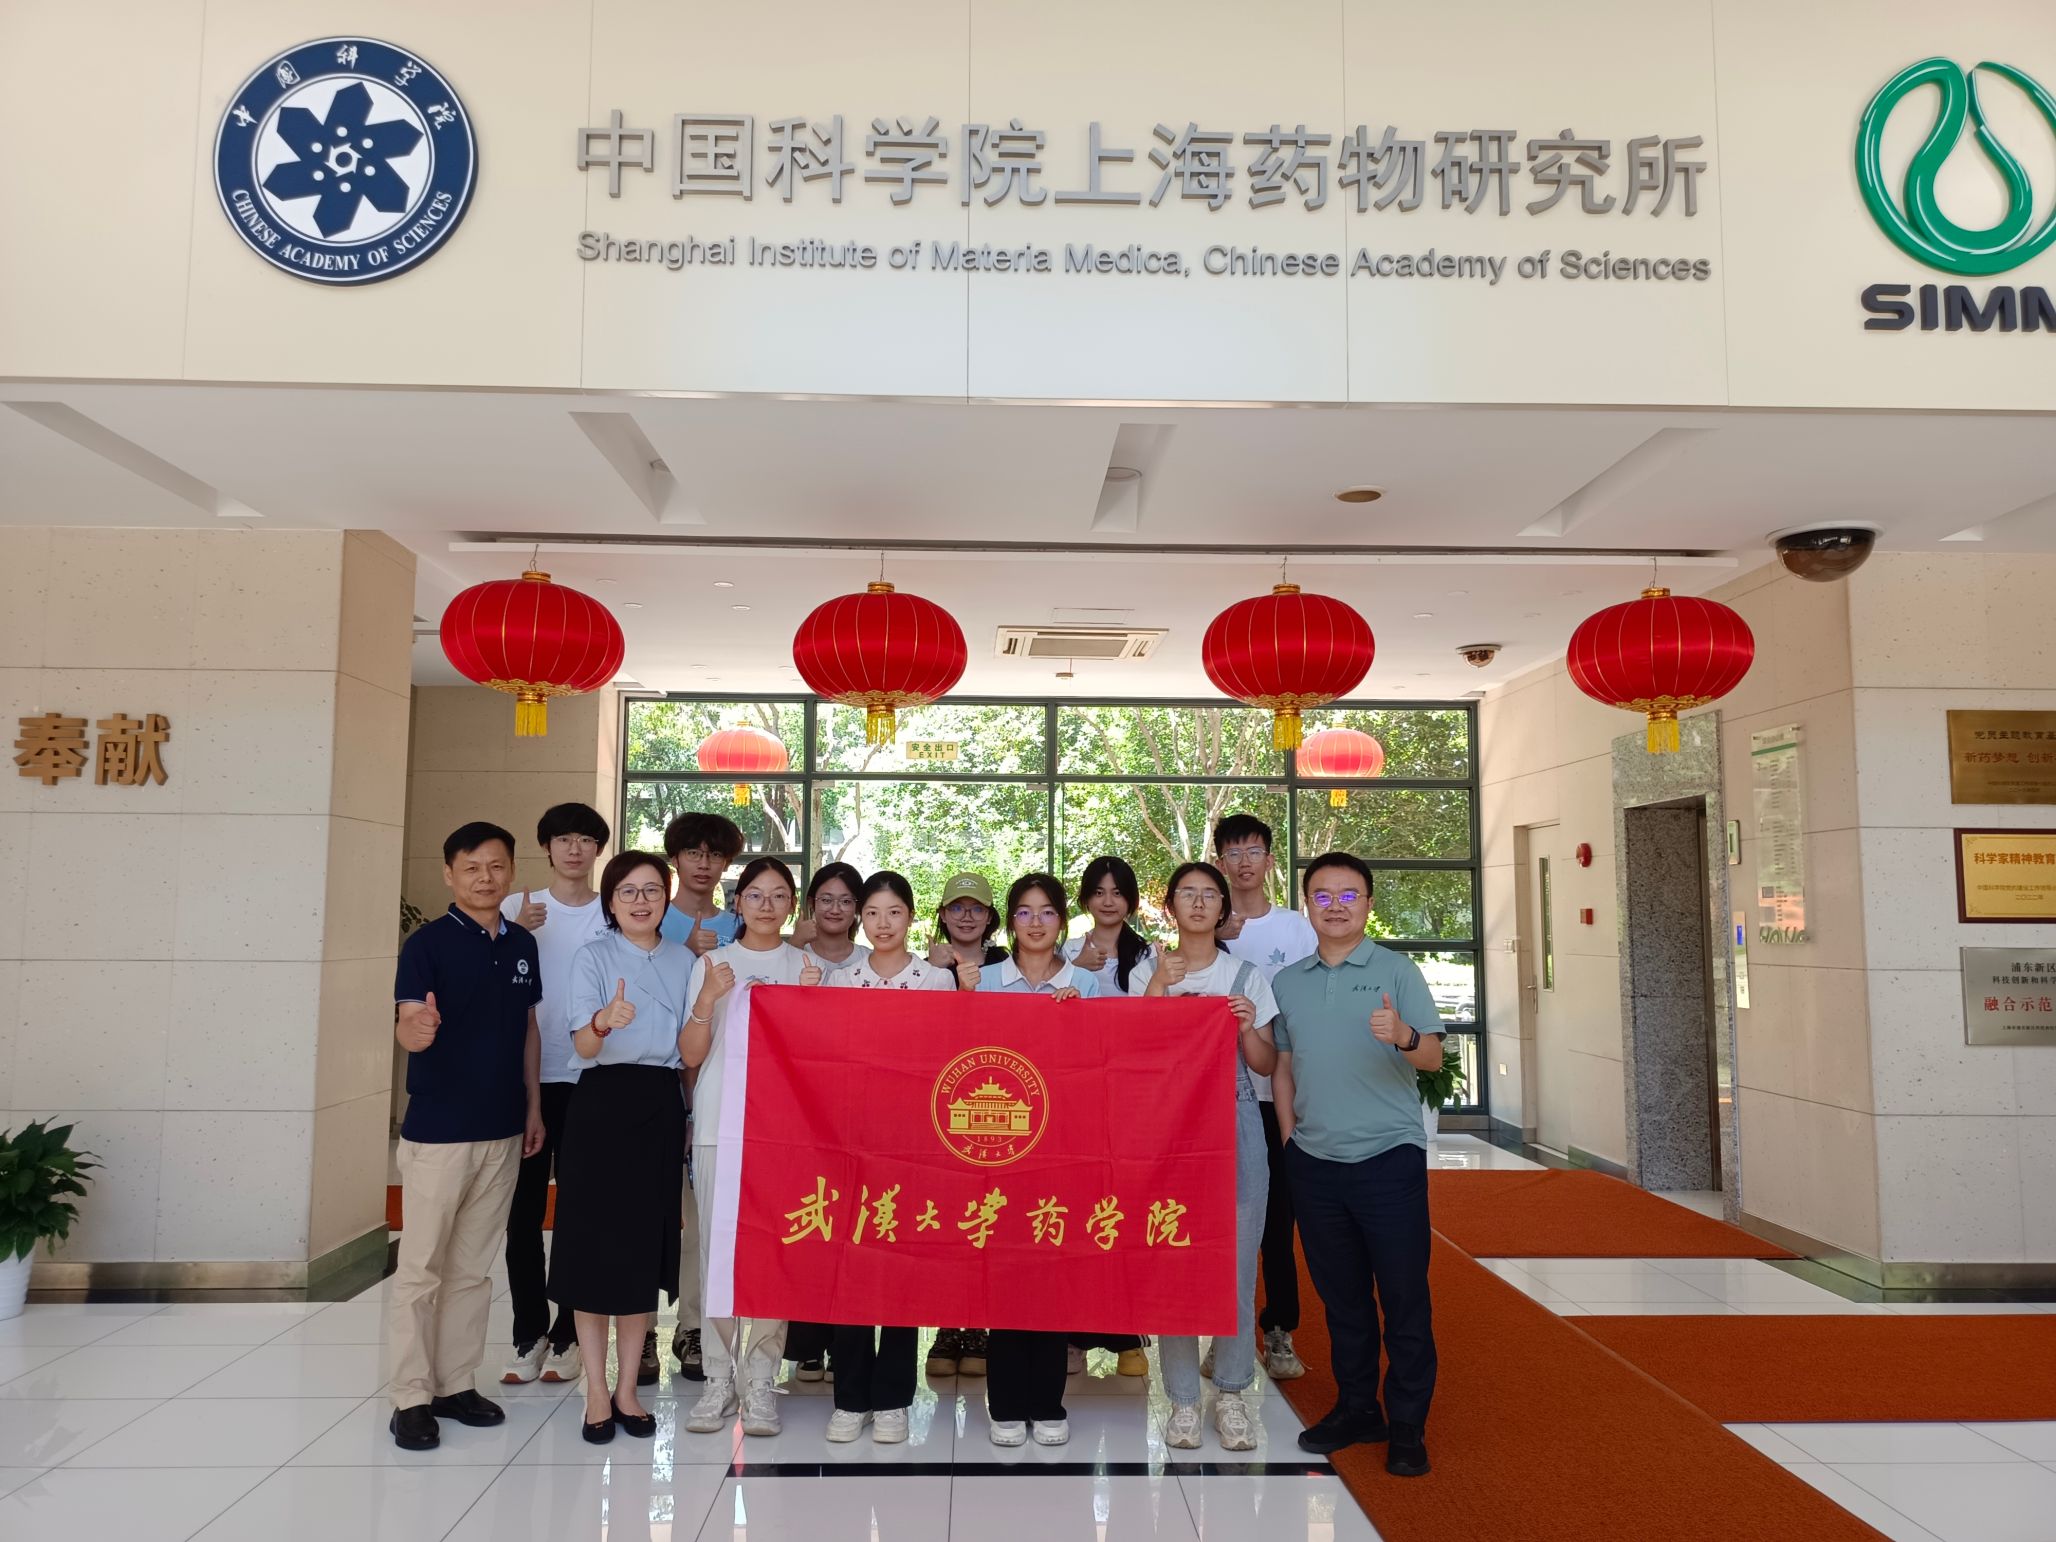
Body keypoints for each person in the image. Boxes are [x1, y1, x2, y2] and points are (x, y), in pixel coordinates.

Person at [1271, 852, 1443, 1478]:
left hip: (1388, 1159)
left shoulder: (1398, 970)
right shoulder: (1288, 981)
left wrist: (1403, 1035)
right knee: (1341, 1299)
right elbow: (1283, 1067)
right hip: (1315, 1163)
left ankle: (1407, 1423)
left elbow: (1432, 1057)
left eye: (1349, 895)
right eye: (1323, 895)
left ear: (1368, 903)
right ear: (1307, 905)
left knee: (1403, 1296)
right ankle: (1357, 1408)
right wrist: (1291, 1142)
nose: (1336, 905)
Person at [388, 822, 546, 1452]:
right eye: (473, 867)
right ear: (449, 873)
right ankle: (410, 1396)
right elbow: (407, 1021)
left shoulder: (522, 945)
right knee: (421, 1268)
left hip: (503, 1129)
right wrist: (416, 1030)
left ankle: (454, 1383)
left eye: (497, 866)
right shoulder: (426, 944)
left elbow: (528, 1030)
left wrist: (533, 1106)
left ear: (511, 872)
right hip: (440, 1134)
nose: (486, 878)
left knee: (472, 1269)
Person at [1130, 861, 1277, 1453]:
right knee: (1174, 1258)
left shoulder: (1245, 975)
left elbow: (1265, 1064)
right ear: (1170, 907)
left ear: (1223, 909)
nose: (1197, 903)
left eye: (1208, 895)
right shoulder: (1147, 969)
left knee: (1237, 1262)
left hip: (1236, 1116)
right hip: (1169, 1126)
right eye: (1186, 894)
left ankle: (1233, 1393)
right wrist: (1158, 989)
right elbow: (1134, 1055)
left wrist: (1247, 1028)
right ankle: (1184, 1401)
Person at [549, 851, 692, 1444]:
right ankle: (595, 1391)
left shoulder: (686, 960)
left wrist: (688, 1116)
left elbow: (691, 1049)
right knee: (591, 1252)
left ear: (666, 898)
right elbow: (583, 1047)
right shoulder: (593, 957)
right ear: (610, 900)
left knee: (639, 1254)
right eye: (628, 891)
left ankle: (628, 1389)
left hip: (660, 1104)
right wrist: (604, 1020)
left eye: (652, 890)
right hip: (600, 1106)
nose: (640, 901)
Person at [819, 870, 957, 1444]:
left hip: (913, 1142)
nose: (882, 923)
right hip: (851, 1140)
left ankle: (894, 1397)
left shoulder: (937, 980)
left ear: (911, 917)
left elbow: (948, 1056)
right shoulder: (839, 978)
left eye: (894, 912)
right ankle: (850, 1397)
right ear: (860, 917)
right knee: (851, 1263)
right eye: (872, 913)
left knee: (902, 1267)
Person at [680, 856, 810, 1437]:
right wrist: (708, 998)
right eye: (755, 894)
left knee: (773, 1252)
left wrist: (810, 1003)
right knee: (717, 1250)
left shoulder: (805, 966)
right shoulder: (712, 963)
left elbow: (819, 1058)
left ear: (791, 906)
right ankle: (717, 1376)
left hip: (783, 1131)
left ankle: (760, 1379)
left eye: (778, 895)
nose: (765, 905)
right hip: (719, 1122)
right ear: (738, 902)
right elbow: (690, 1054)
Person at [976, 872, 1101, 1448]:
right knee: (1003, 1274)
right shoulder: (984, 982)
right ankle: (1004, 1402)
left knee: (1053, 1271)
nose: (1035, 922)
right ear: (1010, 921)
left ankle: (1048, 1401)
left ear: (1062, 922)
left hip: (1063, 1150)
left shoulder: (1087, 984)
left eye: (1046, 911)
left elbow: (1111, 1057)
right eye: (1023, 912)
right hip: (997, 1149)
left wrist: (1081, 1021)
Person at [498, 802, 612, 1388]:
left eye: (585, 839)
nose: (574, 849)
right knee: (521, 1213)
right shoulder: (515, 908)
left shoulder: (612, 910)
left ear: (598, 849)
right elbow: (487, 984)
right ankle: (528, 1333)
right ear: (546, 847)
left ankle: (569, 1333)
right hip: (528, 1077)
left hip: (591, 1077)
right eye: (563, 839)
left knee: (579, 1211)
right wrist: (515, 933)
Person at [1213, 812, 1319, 1383]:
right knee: (1220, 1223)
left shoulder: (1296, 929)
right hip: (1218, 1099)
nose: (1244, 862)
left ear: (1270, 860)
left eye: (1254, 851)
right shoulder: (1208, 925)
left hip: (1279, 1093)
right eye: (1233, 853)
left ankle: (1279, 1328)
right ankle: (1221, 1333)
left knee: (1278, 1222)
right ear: (1220, 862)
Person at [659, 811, 745, 1382]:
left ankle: (692, 1326)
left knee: (702, 1217)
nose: (704, 863)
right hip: (651, 1079)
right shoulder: (650, 913)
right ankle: (640, 1326)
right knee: (648, 1215)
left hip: (711, 1085)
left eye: (715, 854)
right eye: (693, 852)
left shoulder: (739, 924)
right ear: (675, 858)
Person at [1061, 855, 1153, 1378]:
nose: (1109, 901)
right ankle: (1074, 1334)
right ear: (1085, 900)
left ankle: (1128, 1337)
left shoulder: (1150, 956)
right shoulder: (1065, 952)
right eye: (1098, 892)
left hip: (1130, 1104)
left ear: (1131, 900)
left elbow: (1155, 1025)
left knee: (1124, 1218)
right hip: (1076, 1104)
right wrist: (1077, 971)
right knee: (1078, 1218)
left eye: (1118, 892)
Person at [923, 871, 1007, 1380]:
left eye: (976, 908)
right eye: (957, 907)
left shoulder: (1007, 965)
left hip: (995, 1110)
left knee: (988, 1219)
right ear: (942, 915)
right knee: (947, 1218)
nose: (967, 916)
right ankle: (947, 1324)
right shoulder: (925, 966)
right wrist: (941, 973)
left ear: (991, 917)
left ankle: (980, 1326)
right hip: (939, 1104)